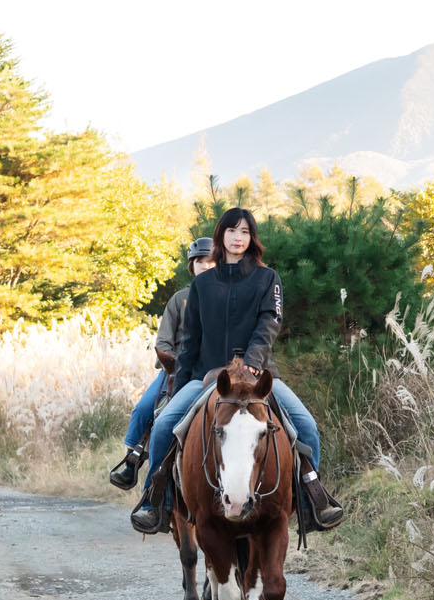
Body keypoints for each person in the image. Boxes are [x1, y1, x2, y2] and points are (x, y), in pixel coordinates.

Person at [131, 208, 345, 534]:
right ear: (221, 236)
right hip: (207, 376)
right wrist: (179, 386)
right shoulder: (202, 284)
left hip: (258, 377)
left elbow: (269, 322)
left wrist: (253, 361)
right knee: (162, 427)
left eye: (244, 232)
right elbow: (191, 340)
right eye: (232, 231)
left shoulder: (267, 279)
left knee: (307, 427)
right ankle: (154, 502)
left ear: (251, 238)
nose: (238, 238)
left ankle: (310, 501)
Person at [108, 236, 216, 490]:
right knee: (143, 409)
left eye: (211, 262)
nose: (206, 266)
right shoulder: (180, 300)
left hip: (210, 370)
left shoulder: (225, 299)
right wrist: (175, 364)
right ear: (192, 266)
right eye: (200, 262)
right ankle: (132, 461)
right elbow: (164, 341)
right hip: (176, 368)